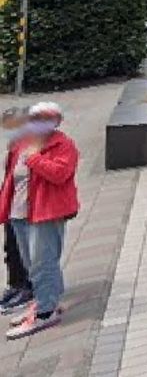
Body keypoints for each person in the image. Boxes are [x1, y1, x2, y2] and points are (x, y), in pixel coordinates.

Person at [1, 102, 79, 339]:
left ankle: (45, 312)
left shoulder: (63, 145)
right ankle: (47, 301)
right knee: (30, 264)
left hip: (46, 213)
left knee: (42, 263)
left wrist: (34, 158)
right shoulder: (22, 143)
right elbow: (11, 179)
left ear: (56, 122)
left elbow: (60, 174)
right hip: (19, 214)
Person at [0, 110, 30, 315]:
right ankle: (15, 284)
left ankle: (26, 287)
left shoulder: (32, 146)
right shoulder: (16, 146)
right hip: (12, 204)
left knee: (23, 249)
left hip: (24, 207)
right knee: (10, 246)